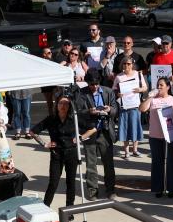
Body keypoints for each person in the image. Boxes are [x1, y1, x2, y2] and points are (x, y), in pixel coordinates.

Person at [32, 95, 80, 209]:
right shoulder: (51, 119)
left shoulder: (74, 118)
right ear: (56, 105)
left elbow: (91, 128)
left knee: (71, 182)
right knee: (53, 182)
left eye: (66, 104)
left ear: (70, 106)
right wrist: (44, 144)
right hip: (56, 154)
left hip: (71, 153)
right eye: (61, 103)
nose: (63, 106)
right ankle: (45, 207)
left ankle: (70, 209)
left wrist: (80, 137)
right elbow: (33, 131)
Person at [76, 69, 117, 200]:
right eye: (92, 84)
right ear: (87, 83)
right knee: (91, 164)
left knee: (108, 163)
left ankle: (110, 190)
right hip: (90, 131)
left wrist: (109, 109)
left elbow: (116, 109)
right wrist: (90, 112)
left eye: (96, 84)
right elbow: (78, 112)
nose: (94, 86)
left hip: (105, 131)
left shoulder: (108, 92)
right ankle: (93, 191)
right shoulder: (81, 93)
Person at [140, 77, 173, 198]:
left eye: (161, 85)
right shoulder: (153, 100)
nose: (159, 87)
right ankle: (158, 188)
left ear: (168, 87)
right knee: (157, 162)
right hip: (155, 135)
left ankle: (172, 188)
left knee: (171, 162)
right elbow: (142, 109)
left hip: (171, 135)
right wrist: (150, 96)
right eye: (158, 85)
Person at [113, 57, 148, 158]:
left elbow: (145, 88)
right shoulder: (119, 76)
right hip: (124, 106)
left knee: (135, 126)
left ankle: (135, 150)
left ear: (132, 64)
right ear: (122, 65)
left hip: (135, 104)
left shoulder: (138, 74)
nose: (126, 66)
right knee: (124, 128)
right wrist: (118, 94)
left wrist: (139, 89)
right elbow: (113, 89)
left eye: (128, 64)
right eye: (124, 64)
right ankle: (126, 151)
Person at [39, 47, 58, 117]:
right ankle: (51, 116)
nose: (51, 54)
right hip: (46, 84)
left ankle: (57, 115)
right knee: (49, 102)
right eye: (49, 53)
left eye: (51, 52)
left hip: (54, 84)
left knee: (57, 100)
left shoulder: (53, 61)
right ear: (44, 54)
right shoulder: (40, 62)